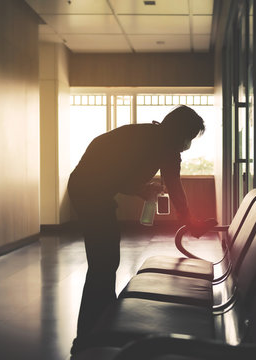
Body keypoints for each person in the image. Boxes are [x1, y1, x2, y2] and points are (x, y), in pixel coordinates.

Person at [67, 105, 206, 354]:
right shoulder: (165, 146)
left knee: (106, 262)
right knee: (103, 263)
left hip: (89, 188)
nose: (188, 144)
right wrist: (190, 220)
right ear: (181, 133)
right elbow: (173, 186)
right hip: (90, 191)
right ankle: (88, 337)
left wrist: (142, 190)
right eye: (190, 137)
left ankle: (101, 326)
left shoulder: (152, 136)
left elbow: (119, 175)